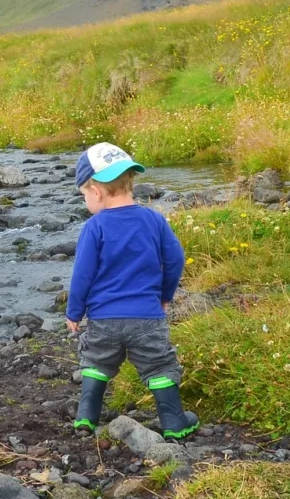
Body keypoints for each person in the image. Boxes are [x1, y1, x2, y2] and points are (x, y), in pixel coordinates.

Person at [65, 142, 198, 440]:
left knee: (97, 360)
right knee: (159, 364)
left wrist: (74, 312)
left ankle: (86, 417)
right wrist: (165, 296)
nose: (86, 200)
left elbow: (82, 275)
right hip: (146, 318)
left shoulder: (94, 227)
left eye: (84, 194)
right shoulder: (154, 219)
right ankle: (174, 421)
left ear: (95, 191)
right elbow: (175, 259)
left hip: (104, 320)